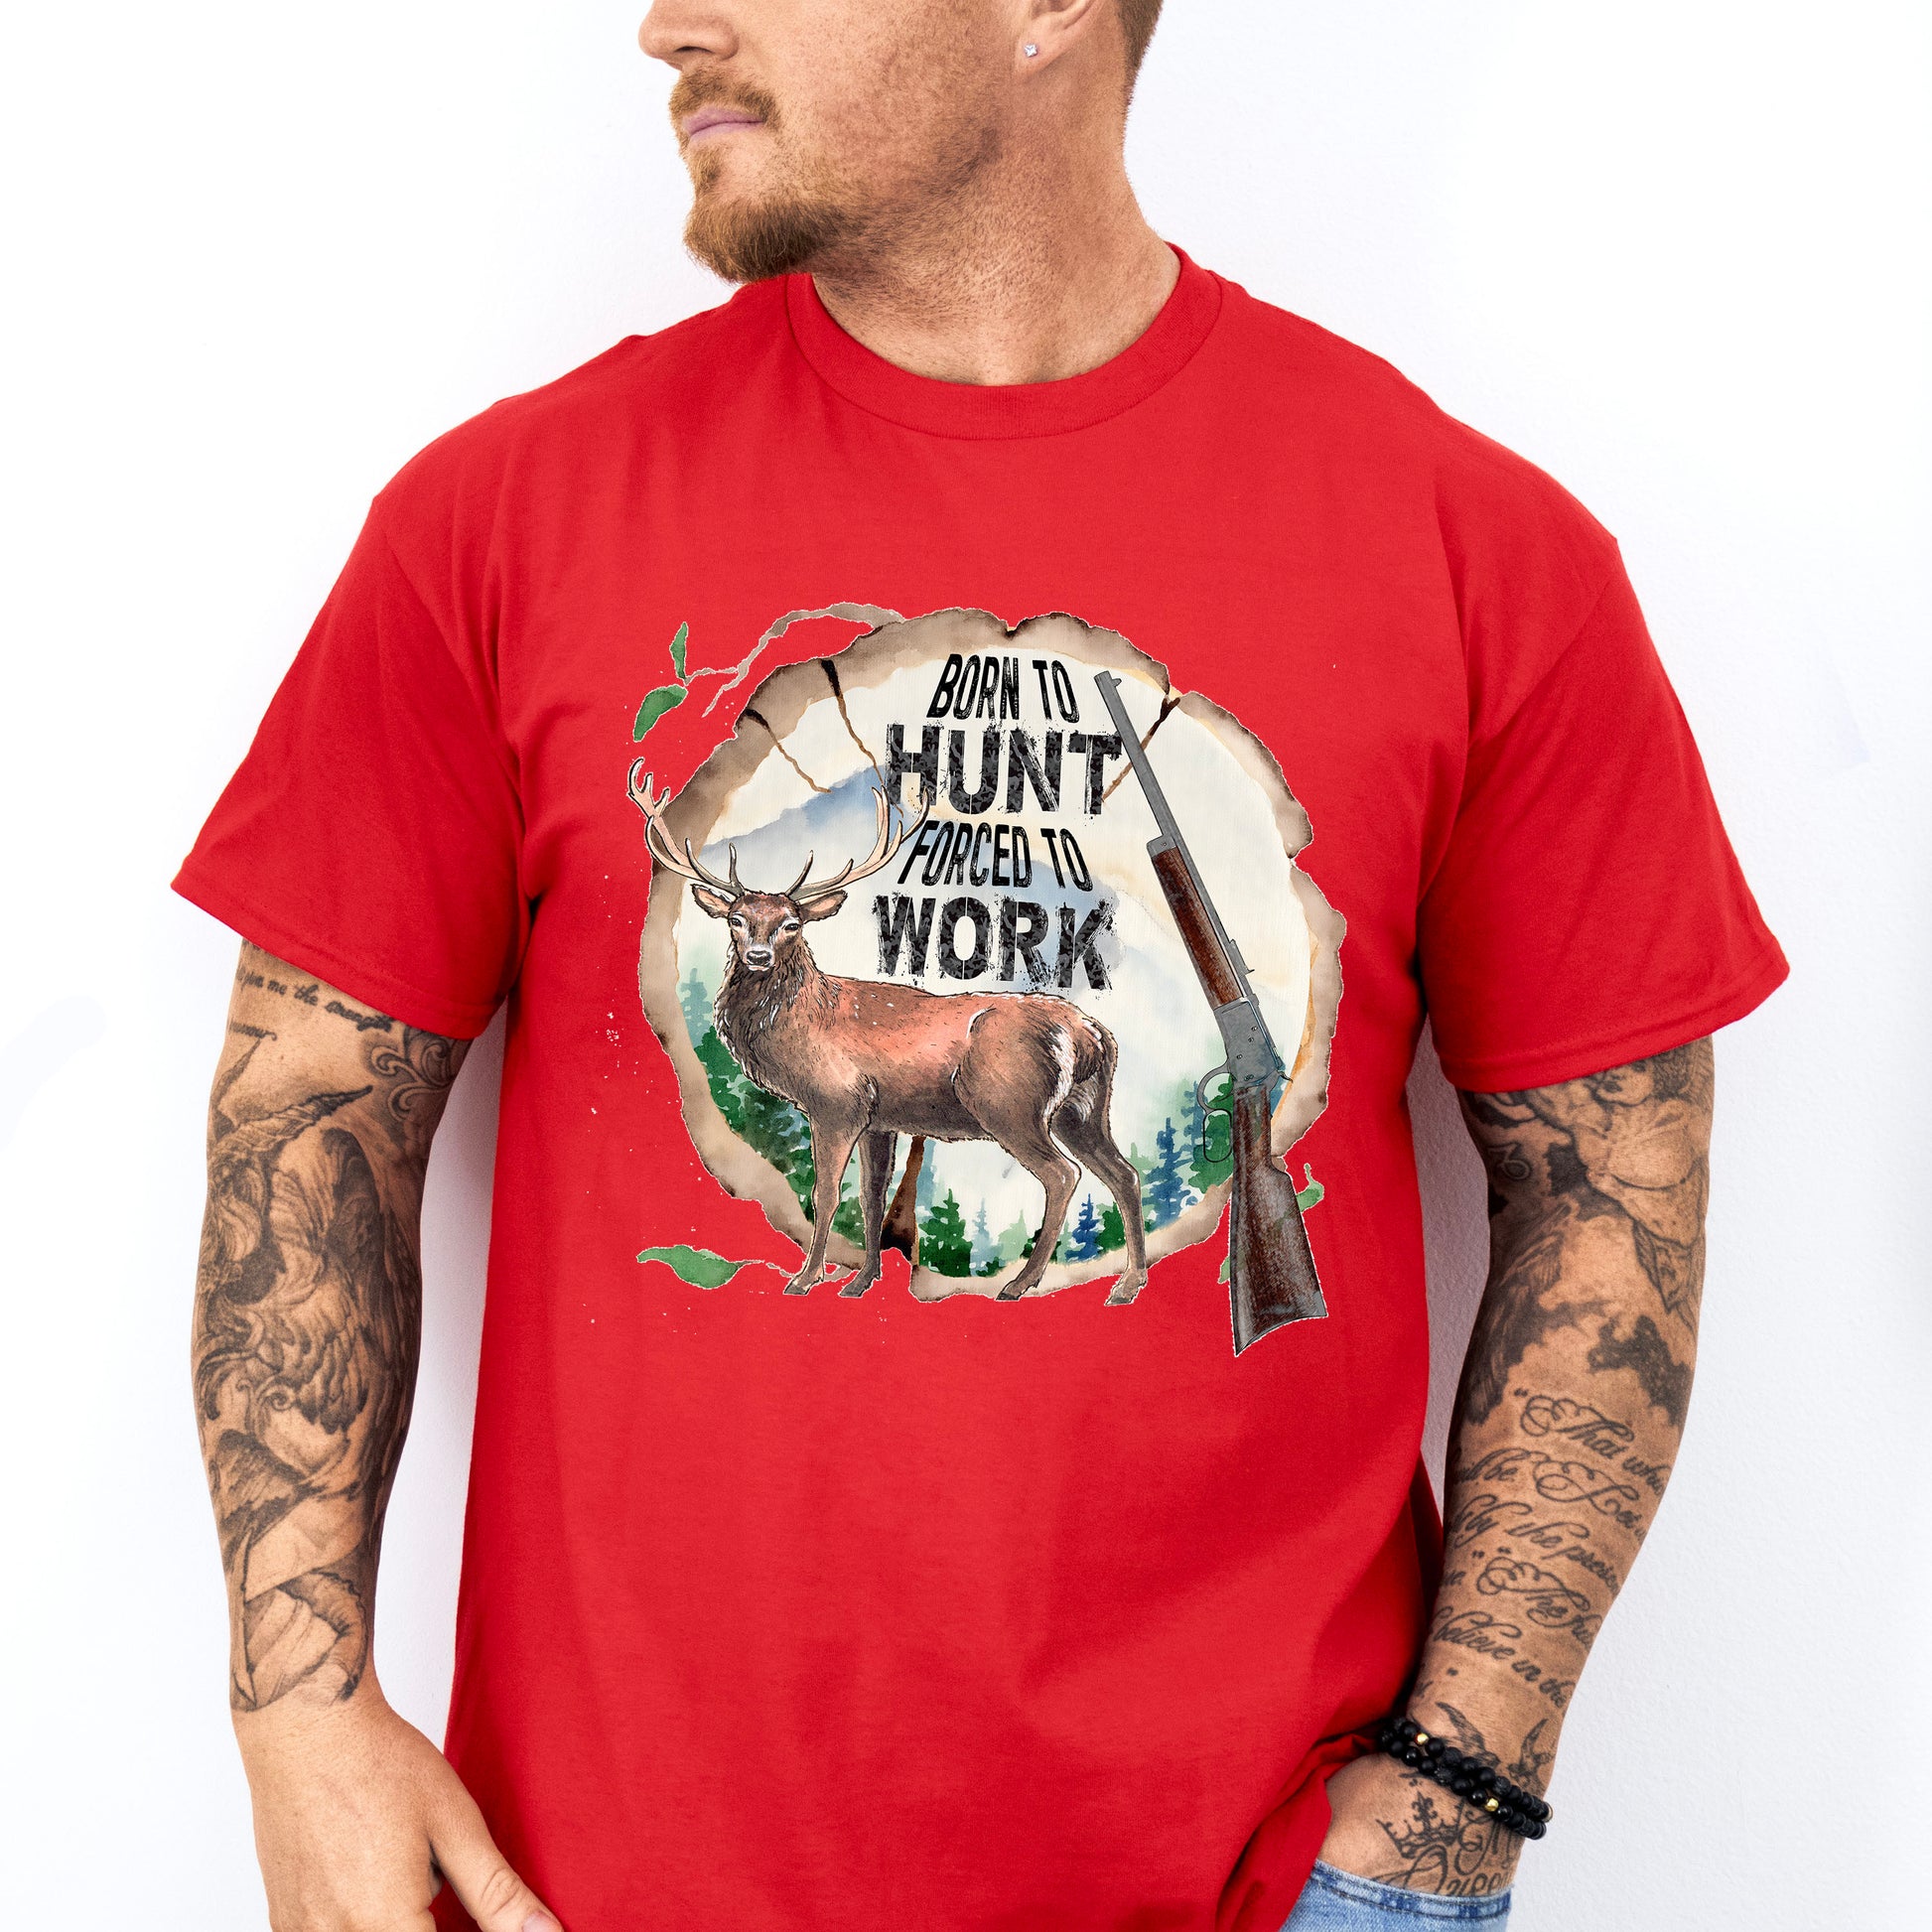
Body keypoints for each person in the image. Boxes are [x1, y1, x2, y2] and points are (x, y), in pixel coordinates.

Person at [176, 2, 1786, 1928]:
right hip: (590, 1885)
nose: (669, 25)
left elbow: (1616, 1184)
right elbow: (308, 1112)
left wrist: (1455, 1789)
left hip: (1266, 1887)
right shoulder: (498, 523)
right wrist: (300, 1715)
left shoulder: (1477, 550)